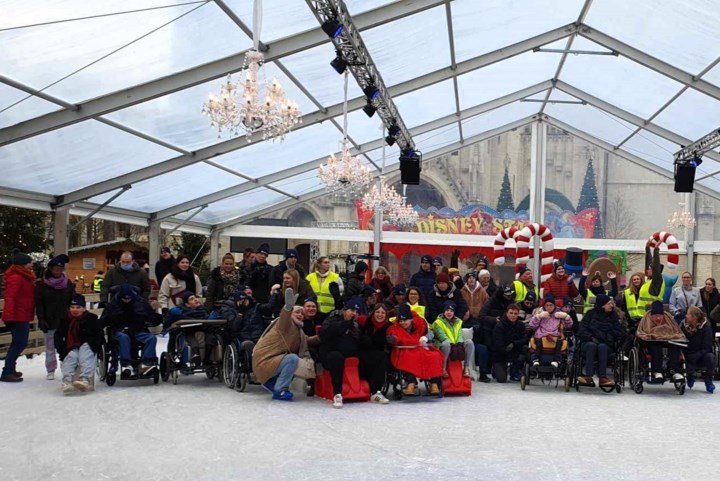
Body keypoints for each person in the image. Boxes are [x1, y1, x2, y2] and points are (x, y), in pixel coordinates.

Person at [319, 296, 390, 408]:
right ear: (345, 310)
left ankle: (376, 391)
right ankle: (338, 393)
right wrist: (344, 325)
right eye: (352, 310)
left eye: (357, 312)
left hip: (353, 353)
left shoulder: (356, 325)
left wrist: (365, 339)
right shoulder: (333, 318)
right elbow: (324, 333)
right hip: (334, 352)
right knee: (335, 357)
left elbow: (361, 340)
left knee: (380, 356)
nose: (354, 313)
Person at [252, 289, 313, 401]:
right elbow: (284, 317)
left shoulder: (298, 329)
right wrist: (288, 307)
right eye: (297, 312)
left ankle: (272, 382)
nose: (300, 315)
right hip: (264, 361)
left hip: (272, 361)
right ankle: (280, 390)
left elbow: (307, 340)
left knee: (294, 359)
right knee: (293, 359)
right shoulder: (285, 324)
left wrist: (323, 336)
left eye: (302, 313)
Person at [101, 284, 159, 378]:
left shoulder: (141, 303)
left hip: (138, 330)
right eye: (124, 299)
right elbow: (105, 319)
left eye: (129, 299)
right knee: (124, 338)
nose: (127, 301)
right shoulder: (113, 305)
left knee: (151, 338)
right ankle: (126, 364)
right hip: (120, 330)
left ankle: (146, 363)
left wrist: (155, 318)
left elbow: (150, 316)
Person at [386, 304, 443, 395]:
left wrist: (425, 338)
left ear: (411, 319)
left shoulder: (421, 324)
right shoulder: (395, 328)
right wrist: (392, 339)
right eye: (401, 320)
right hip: (404, 350)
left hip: (420, 348)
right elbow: (395, 337)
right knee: (409, 358)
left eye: (405, 320)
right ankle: (411, 383)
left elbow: (431, 333)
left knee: (435, 356)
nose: (403, 323)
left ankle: (434, 383)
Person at [35, 254, 75, 381]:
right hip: (49, 319)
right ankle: (50, 369)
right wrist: (41, 319)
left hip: (65, 319)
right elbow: (39, 303)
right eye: (56, 269)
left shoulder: (67, 283)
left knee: (67, 345)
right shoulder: (42, 285)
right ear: (51, 269)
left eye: (61, 269)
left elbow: (71, 300)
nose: (58, 272)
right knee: (50, 346)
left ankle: (67, 367)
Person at [54, 294, 103, 394]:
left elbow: (99, 334)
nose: (75, 310)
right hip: (71, 345)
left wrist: (95, 346)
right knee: (70, 357)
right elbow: (58, 336)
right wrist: (61, 350)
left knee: (85, 356)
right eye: (72, 307)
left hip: (87, 344)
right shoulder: (65, 320)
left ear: (84, 308)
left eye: (78, 307)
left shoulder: (91, 319)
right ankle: (67, 381)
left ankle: (85, 379)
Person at [1, 251, 36, 383]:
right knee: (19, 343)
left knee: (18, 343)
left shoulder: (24, 276)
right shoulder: (17, 277)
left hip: (22, 314)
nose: (31, 264)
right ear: (22, 264)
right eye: (29, 262)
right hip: (17, 316)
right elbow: (10, 298)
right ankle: (7, 371)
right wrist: (9, 316)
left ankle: (10, 369)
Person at [577, 294, 625, 387]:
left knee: (602, 347)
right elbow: (582, 329)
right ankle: (588, 376)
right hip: (589, 341)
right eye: (609, 303)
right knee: (592, 346)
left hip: (606, 343)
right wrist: (591, 337)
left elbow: (620, 331)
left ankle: (602, 377)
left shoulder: (613, 316)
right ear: (602, 304)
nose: (611, 305)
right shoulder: (590, 314)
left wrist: (607, 337)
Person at [636, 301, 686, 383]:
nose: (658, 318)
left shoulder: (668, 317)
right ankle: (657, 371)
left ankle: (674, 370)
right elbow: (641, 332)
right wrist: (650, 335)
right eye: (656, 316)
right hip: (653, 340)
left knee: (674, 346)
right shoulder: (646, 318)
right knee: (656, 348)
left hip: (668, 339)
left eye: (660, 316)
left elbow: (676, 331)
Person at [431, 300, 474, 378]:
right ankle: (443, 369)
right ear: (444, 311)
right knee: (446, 344)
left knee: (469, 342)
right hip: (443, 345)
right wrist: (452, 344)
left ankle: (466, 367)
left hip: (456, 345)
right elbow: (442, 335)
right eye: (447, 310)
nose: (449, 312)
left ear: (454, 312)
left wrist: (459, 343)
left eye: (451, 311)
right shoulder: (438, 322)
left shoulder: (458, 322)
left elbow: (459, 334)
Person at [528, 294, 572, 368]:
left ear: (554, 306)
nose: (548, 307)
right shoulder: (539, 312)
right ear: (544, 306)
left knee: (559, 342)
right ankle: (536, 359)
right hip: (542, 335)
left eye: (550, 305)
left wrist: (566, 317)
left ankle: (556, 360)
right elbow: (532, 326)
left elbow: (568, 326)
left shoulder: (559, 314)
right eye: (547, 305)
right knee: (539, 342)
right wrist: (538, 317)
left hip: (555, 335)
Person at [491, 304, 529, 383]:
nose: (513, 315)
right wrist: (506, 349)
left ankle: (515, 370)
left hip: (515, 350)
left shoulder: (521, 325)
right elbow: (497, 343)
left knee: (525, 349)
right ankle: (496, 368)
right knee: (502, 379)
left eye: (515, 313)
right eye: (511, 313)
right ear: (506, 313)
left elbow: (525, 339)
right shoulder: (499, 326)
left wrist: (514, 344)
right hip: (500, 353)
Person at [681, 306, 715, 393]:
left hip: (701, 354)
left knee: (710, 357)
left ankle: (708, 381)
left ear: (694, 317)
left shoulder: (706, 328)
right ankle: (689, 375)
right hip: (687, 354)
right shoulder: (683, 326)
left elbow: (707, 347)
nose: (686, 316)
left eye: (688, 314)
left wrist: (696, 355)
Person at [620, 272, 646, 336]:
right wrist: (628, 317)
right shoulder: (627, 292)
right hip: (631, 319)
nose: (636, 281)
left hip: (644, 318)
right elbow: (624, 306)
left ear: (641, 280)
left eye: (637, 279)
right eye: (634, 280)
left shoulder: (645, 291)